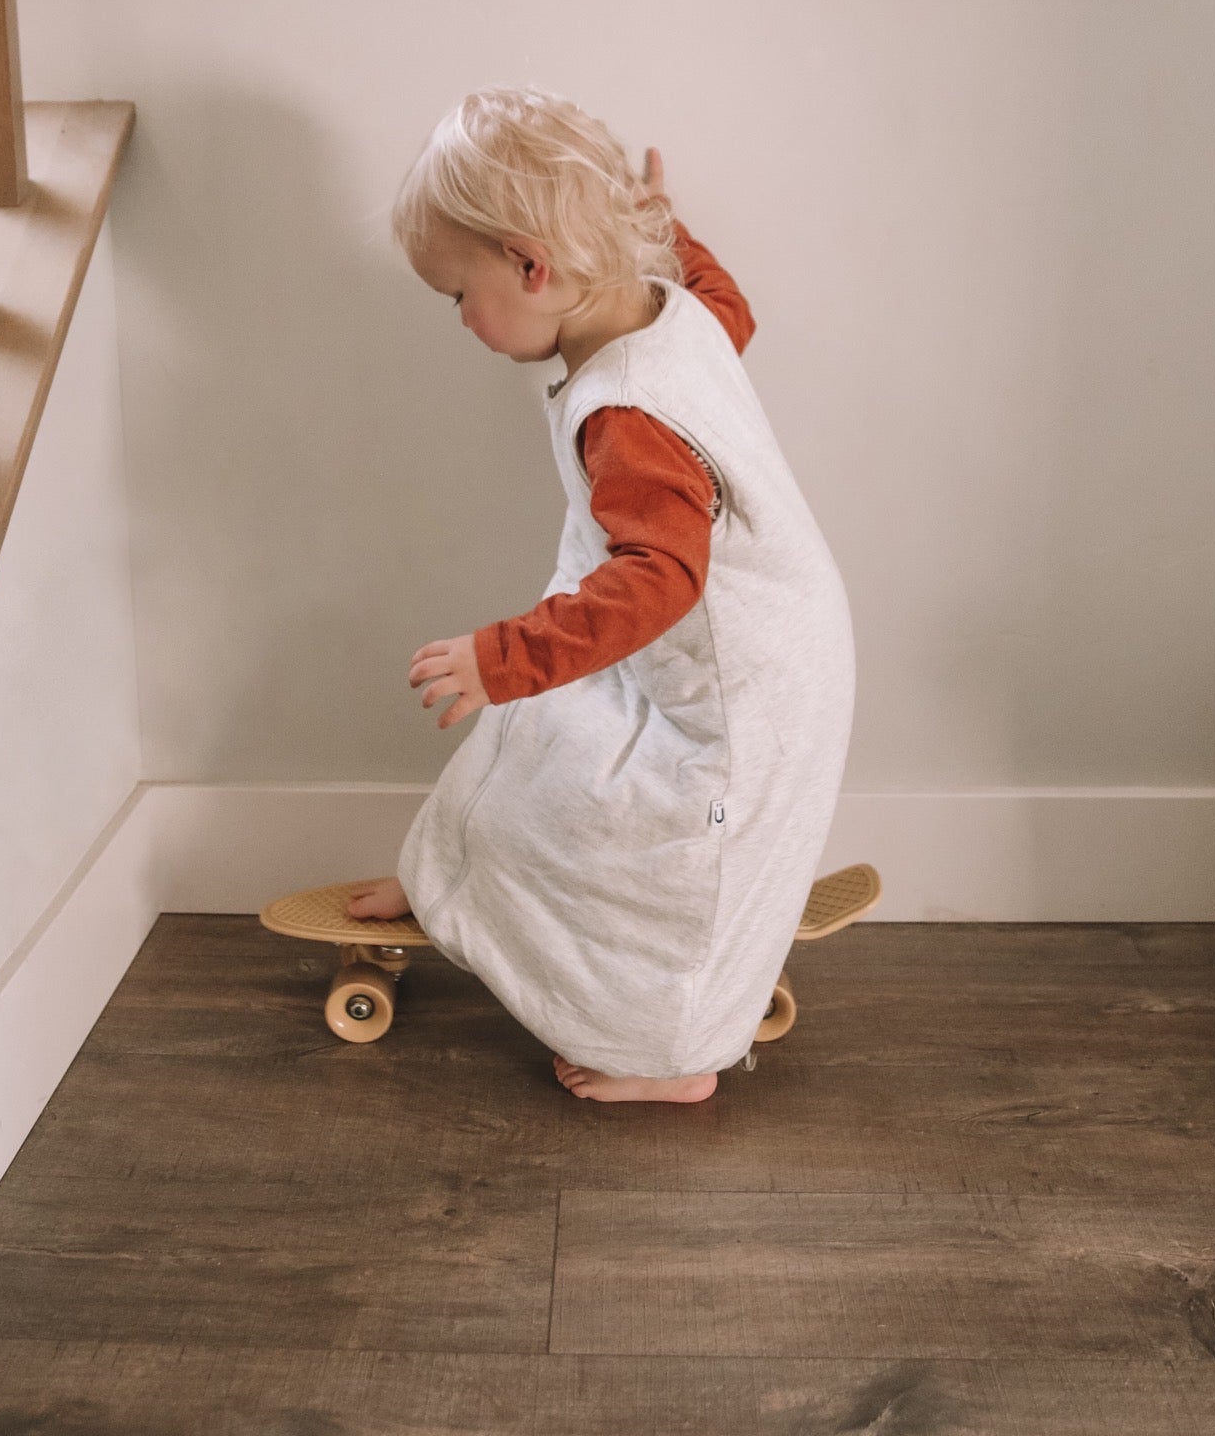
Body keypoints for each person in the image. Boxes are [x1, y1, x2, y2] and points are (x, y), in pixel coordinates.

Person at [349, 87, 854, 1103]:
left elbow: (661, 577)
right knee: (528, 738)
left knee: (621, 832)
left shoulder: (625, 415)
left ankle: (672, 1049)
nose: (459, 318)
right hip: (745, 634)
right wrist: (659, 227)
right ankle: (451, 882)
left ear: (534, 269)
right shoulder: (679, 305)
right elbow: (729, 305)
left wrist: (505, 657)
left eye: (458, 293)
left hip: (735, 685)